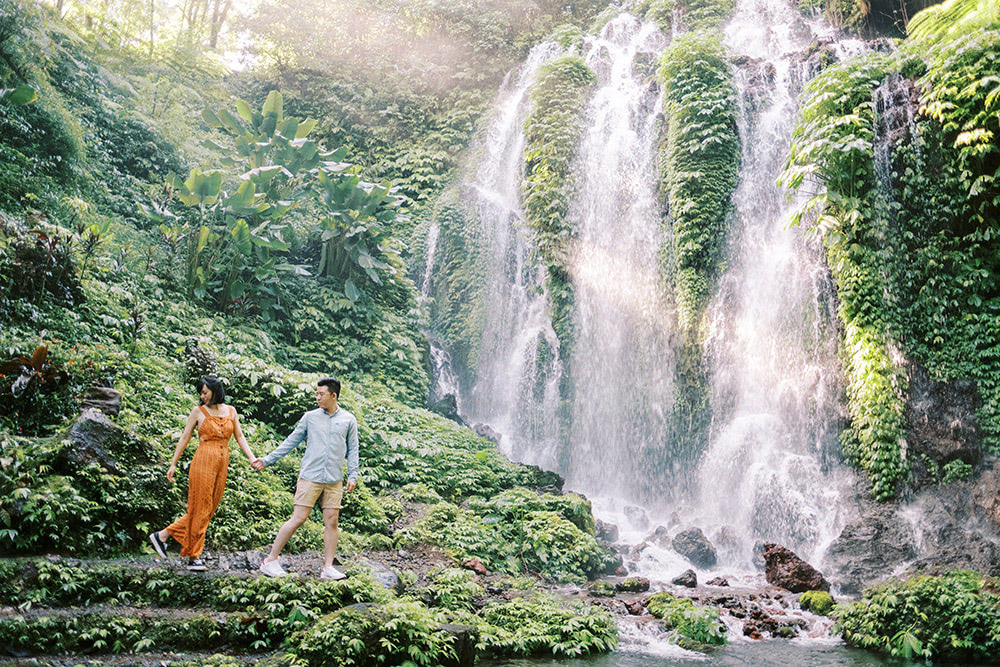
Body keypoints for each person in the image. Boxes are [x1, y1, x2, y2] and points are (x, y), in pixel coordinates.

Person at [148, 376, 259, 571]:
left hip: (223, 460)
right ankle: (194, 557)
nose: (203, 396)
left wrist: (251, 457)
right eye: (201, 393)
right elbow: (185, 437)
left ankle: (163, 535)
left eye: (205, 392)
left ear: (215, 391)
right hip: (203, 460)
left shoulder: (231, 411)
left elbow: (239, 436)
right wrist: (173, 463)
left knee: (208, 509)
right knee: (201, 507)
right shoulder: (197, 412)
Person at [252, 377, 358, 580]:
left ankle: (328, 567)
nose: (317, 397)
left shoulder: (348, 420)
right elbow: (291, 441)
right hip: (310, 476)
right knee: (299, 517)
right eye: (317, 394)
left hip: (334, 479)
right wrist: (267, 460)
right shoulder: (310, 417)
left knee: (332, 521)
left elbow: (353, 449)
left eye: (321, 394)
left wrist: (353, 475)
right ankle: (270, 560)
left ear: (333, 395)